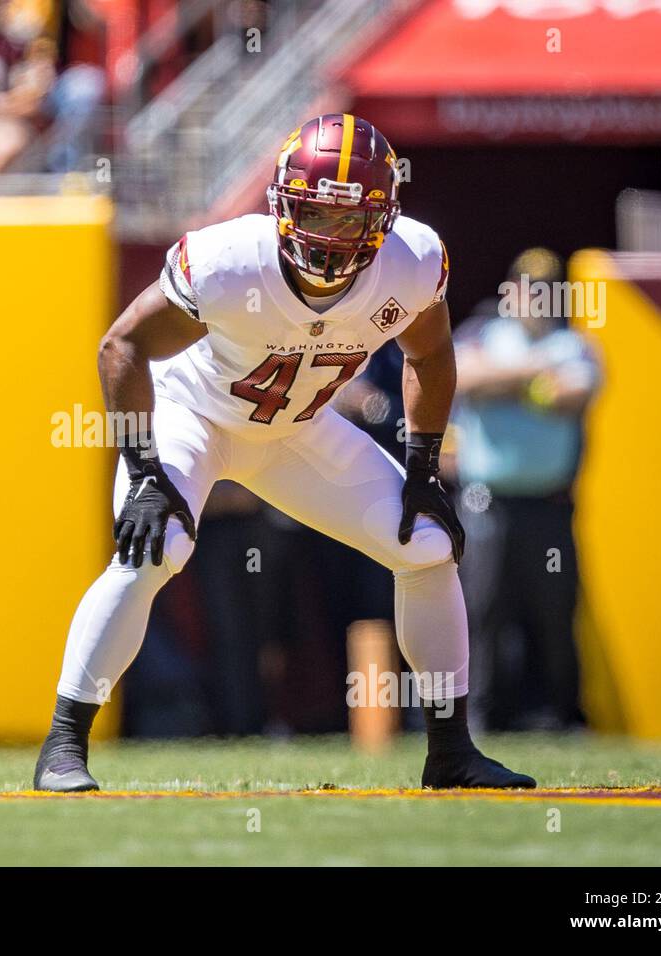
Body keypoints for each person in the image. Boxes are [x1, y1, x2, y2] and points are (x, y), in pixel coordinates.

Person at [33, 114, 536, 792]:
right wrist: (145, 468)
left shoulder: (412, 261)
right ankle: (64, 745)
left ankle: (450, 750)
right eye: (316, 216)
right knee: (157, 548)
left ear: (383, 220)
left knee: (424, 542)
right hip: (196, 417)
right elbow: (119, 345)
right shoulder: (226, 260)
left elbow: (431, 353)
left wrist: (421, 465)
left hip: (294, 429)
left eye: (350, 220)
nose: (331, 238)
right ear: (281, 206)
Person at [452, 249, 598, 731]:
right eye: (526, 287)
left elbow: (569, 396)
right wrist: (533, 373)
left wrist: (506, 381)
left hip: (549, 505)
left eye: (544, 288)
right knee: (484, 610)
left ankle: (564, 715)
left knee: (556, 612)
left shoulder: (575, 345)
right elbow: (465, 377)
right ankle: (480, 719)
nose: (534, 297)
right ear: (510, 289)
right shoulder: (483, 333)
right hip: (486, 502)